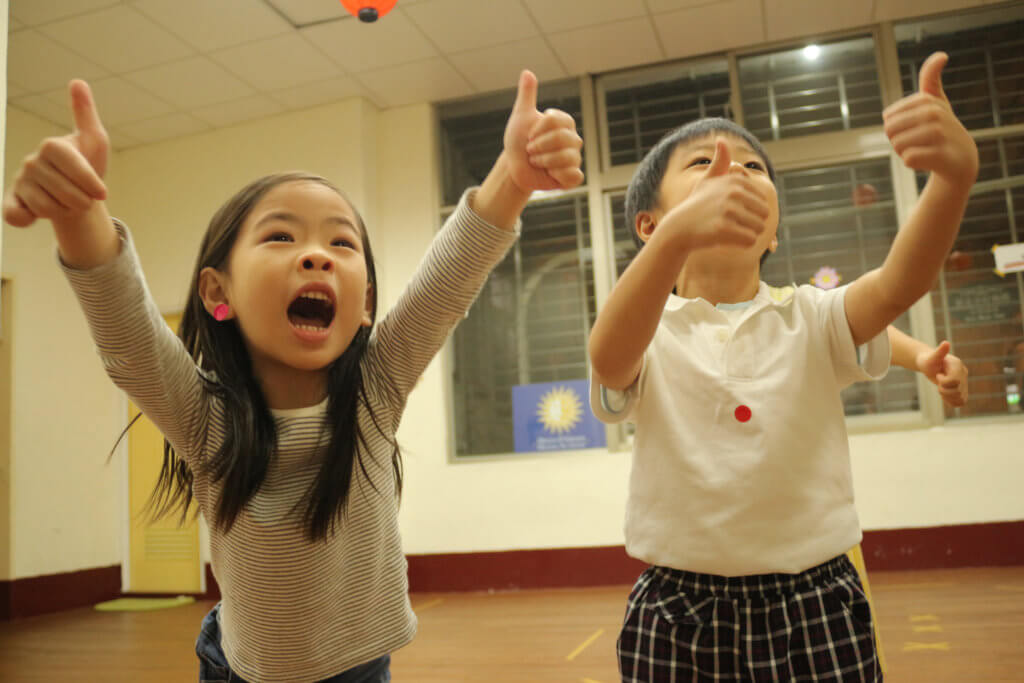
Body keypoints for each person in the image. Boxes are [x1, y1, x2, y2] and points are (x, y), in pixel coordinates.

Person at [3, 72, 582, 682]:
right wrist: (79, 212)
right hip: (239, 667)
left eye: (341, 242)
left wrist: (513, 178)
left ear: (364, 307)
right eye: (280, 236)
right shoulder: (205, 419)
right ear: (216, 292)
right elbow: (126, 336)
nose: (317, 254)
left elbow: (450, 275)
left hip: (358, 665)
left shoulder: (375, 390)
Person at [588, 52, 977, 681]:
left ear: (771, 234)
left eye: (752, 167)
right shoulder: (648, 326)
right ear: (649, 224)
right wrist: (677, 239)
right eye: (703, 165)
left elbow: (895, 287)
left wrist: (952, 181)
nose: (733, 172)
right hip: (677, 610)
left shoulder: (810, 315)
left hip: (816, 599)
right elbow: (607, 357)